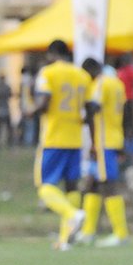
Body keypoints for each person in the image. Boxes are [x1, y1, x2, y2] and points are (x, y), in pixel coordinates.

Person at [34, 40, 90, 250]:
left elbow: (45, 101)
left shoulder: (48, 73)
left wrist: (31, 110)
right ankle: (66, 239)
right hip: (75, 139)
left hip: (54, 137)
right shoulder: (82, 76)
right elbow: (90, 108)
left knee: (44, 186)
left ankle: (72, 214)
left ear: (51, 54)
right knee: (71, 187)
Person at [80, 58, 130, 247]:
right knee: (92, 184)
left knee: (108, 185)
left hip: (103, 141)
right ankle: (88, 231)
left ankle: (121, 233)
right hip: (114, 137)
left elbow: (94, 108)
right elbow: (126, 111)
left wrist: (82, 117)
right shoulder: (117, 82)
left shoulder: (101, 83)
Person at [0, 73, 14, 147]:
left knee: (0, 129)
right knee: (7, 129)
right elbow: (10, 95)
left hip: (0, 110)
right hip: (5, 109)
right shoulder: (6, 87)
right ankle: (8, 143)